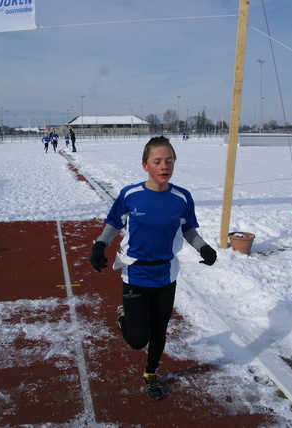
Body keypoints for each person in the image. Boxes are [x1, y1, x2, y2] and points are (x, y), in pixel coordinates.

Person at [89, 136, 217, 401]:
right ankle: (124, 315)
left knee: (160, 329)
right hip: (135, 273)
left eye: (169, 161)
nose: (164, 166)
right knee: (137, 340)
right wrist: (100, 245)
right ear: (145, 164)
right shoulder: (130, 195)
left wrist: (203, 247)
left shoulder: (182, 197)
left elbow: (188, 228)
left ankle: (150, 373)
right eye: (157, 161)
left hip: (166, 275)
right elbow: (114, 222)